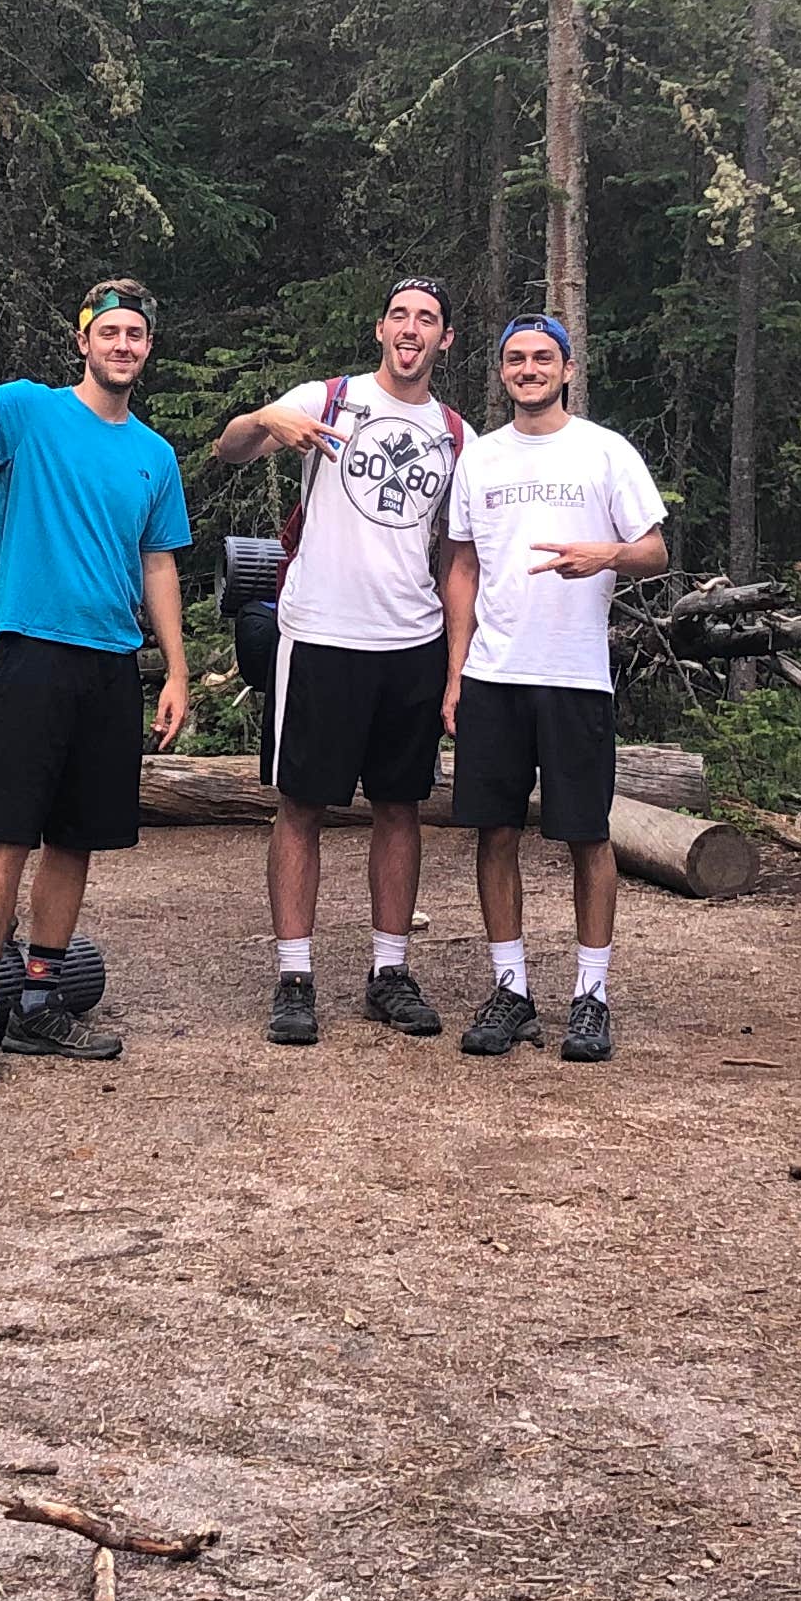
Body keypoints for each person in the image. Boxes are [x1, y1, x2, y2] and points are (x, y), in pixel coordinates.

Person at [0, 276, 193, 1085]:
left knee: (76, 837)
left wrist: (174, 669)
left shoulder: (153, 454)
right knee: (6, 834)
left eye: (136, 335)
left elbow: (159, 561)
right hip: (31, 649)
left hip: (111, 661)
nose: (123, 346)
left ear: (146, 348)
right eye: (110, 333)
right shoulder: (30, 411)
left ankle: (40, 1002)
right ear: (84, 341)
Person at [206, 277, 470, 1046]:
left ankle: (390, 972)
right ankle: (294, 977)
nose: (411, 329)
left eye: (427, 318)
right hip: (320, 632)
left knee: (400, 805)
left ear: (444, 340)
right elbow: (230, 448)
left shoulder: (457, 433)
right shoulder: (327, 397)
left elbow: (459, 556)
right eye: (399, 316)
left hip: (411, 640)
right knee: (303, 804)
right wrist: (267, 420)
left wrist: (456, 667)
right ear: (381, 328)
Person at [439, 313, 667, 1064]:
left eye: (543, 358)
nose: (528, 369)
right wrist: (455, 669)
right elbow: (464, 566)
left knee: (586, 835)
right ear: (501, 371)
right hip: (493, 675)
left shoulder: (606, 452)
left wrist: (607, 553)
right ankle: (511, 990)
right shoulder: (480, 458)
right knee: (493, 831)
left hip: (574, 677)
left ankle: (590, 997)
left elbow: (656, 552)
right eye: (515, 359)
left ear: (567, 369)